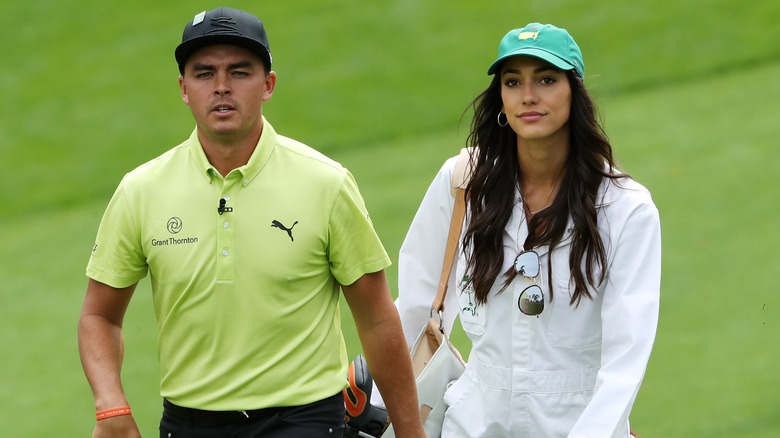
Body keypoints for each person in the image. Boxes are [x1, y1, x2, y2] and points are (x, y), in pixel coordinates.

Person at [78, 7, 424, 438]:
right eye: (204, 74)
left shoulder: (326, 183)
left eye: (239, 72)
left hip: (306, 420)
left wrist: (412, 434)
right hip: (188, 424)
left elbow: (376, 318)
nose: (221, 86)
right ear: (184, 89)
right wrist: (110, 406)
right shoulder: (140, 190)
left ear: (268, 85)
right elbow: (99, 316)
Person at [395, 23, 661, 437]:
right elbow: (414, 306)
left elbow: (626, 358)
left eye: (547, 79)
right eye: (513, 81)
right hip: (471, 426)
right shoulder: (463, 181)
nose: (529, 95)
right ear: (500, 96)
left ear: (575, 92)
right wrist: (380, 409)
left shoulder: (627, 208)